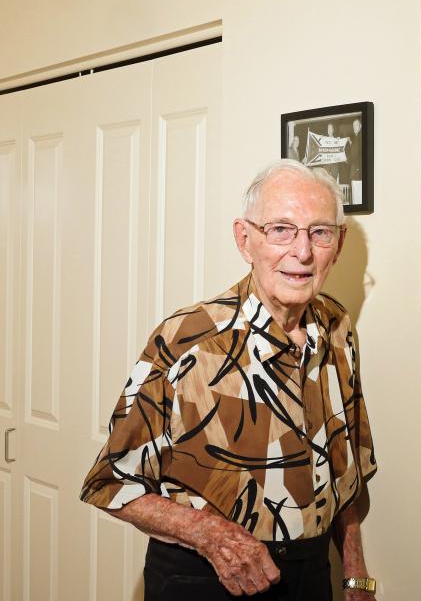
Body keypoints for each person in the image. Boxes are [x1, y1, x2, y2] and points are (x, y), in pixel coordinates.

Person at [79, 159, 378, 600]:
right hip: (207, 577)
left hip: (312, 575)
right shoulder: (187, 338)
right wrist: (212, 536)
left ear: (339, 244)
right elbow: (109, 481)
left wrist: (354, 572)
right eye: (280, 229)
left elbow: (346, 466)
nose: (302, 252)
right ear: (245, 239)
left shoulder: (337, 327)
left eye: (320, 232)